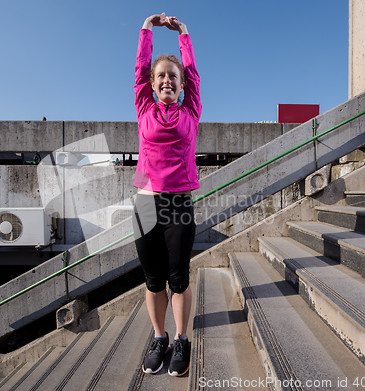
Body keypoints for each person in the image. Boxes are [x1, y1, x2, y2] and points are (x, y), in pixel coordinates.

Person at [131, 13, 201, 377]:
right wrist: (147, 27)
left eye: (172, 77)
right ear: (153, 85)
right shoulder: (144, 107)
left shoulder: (191, 110)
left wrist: (183, 35)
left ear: (180, 84)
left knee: (179, 278)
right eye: (161, 77)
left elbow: (192, 70)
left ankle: (181, 339)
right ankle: (158, 338)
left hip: (178, 203)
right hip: (145, 202)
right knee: (153, 280)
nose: (166, 80)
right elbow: (141, 66)